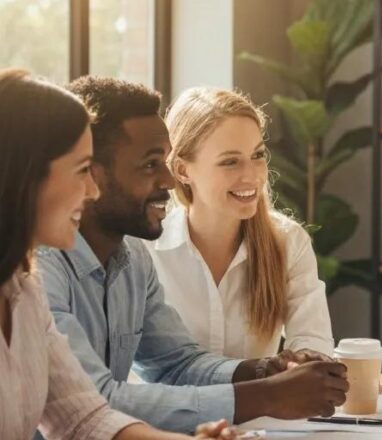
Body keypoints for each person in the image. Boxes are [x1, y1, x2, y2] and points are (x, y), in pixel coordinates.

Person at [36, 76, 348, 433]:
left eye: (258, 155)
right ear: (93, 174)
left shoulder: (133, 259)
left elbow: (176, 363)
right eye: (151, 165)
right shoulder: (39, 270)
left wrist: (265, 370)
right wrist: (266, 395)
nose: (169, 182)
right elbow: (94, 405)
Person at [0, 69, 238, 439]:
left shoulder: (25, 291)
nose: (93, 191)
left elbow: (84, 419)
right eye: (81, 170)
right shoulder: (44, 275)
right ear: (26, 175)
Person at [143, 87, 333, 360]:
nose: (251, 176)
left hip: (260, 404)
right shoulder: (146, 250)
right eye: (230, 162)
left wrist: (303, 364)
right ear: (183, 170)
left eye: (257, 156)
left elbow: (313, 342)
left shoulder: (289, 241)